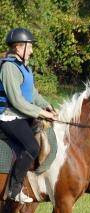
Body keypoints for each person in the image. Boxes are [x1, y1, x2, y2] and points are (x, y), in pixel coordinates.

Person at [0, 28, 58, 203]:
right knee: (32, 146)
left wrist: (47, 106)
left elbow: (32, 94)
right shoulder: (9, 67)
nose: (32, 50)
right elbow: (16, 101)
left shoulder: (24, 67)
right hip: (8, 116)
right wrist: (40, 113)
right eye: (30, 46)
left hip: (21, 115)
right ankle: (14, 189)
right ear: (19, 48)